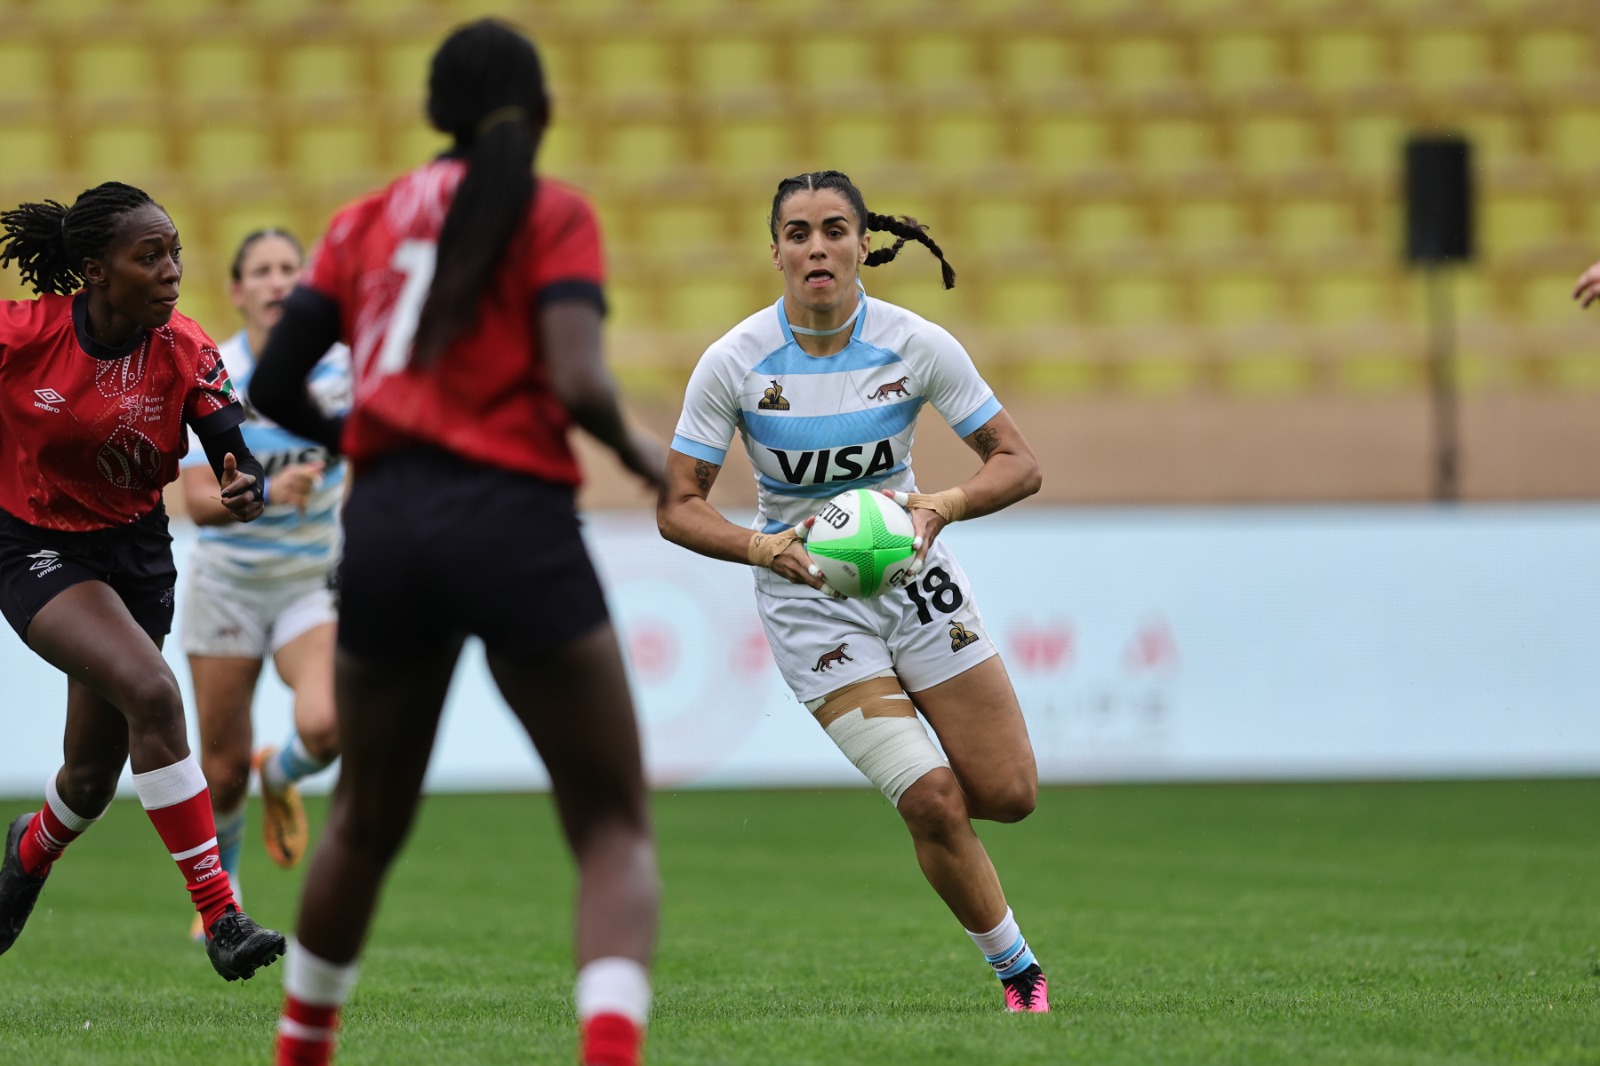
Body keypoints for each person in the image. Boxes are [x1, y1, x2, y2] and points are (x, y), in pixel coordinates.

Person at [249, 20, 663, 1066]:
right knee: (611, 826)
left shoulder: (364, 220)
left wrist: (367, 441)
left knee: (365, 820)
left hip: (385, 526)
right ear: (543, 110)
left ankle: (300, 1052)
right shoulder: (552, 211)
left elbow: (269, 382)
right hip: (512, 520)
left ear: (436, 113)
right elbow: (574, 379)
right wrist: (643, 452)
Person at [657, 170, 1050, 1012]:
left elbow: (1018, 464)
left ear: (861, 243)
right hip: (808, 602)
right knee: (936, 799)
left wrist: (943, 503)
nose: (817, 247)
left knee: (1008, 794)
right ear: (776, 253)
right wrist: (765, 547)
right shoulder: (733, 363)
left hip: (914, 576)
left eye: (834, 228)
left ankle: (942, 822)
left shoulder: (917, 345)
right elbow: (677, 507)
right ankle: (1020, 974)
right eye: (797, 233)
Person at [0, 181, 288, 981]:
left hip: (136, 553)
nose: (171, 271)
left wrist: (246, 487)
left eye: (174, 253)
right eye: (149, 255)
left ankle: (29, 849)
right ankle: (221, 915)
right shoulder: (21, 335)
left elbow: (237, 453)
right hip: (34, 547)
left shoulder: (186, 347)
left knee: (89, 781)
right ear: (93, 269)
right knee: (156, 694)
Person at [178, 228, 350, 940]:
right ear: (238, 290)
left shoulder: (345, 369)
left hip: (310, 581)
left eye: (291, 268)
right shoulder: (211, 371)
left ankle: (279, 775)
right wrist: (273, 493)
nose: (279, 281)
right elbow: (193, 503)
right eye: (263, 270)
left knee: (328, 725)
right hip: (228, 587)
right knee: (218, 771)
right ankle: (226, 901)